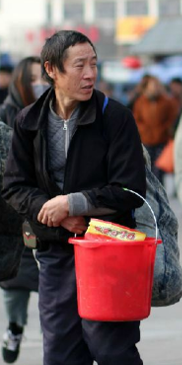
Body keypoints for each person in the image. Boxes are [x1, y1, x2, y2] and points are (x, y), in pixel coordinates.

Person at [1, 30, 146, 365]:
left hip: (109, 249)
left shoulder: (115, 118)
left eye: (93, 64)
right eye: (79, 65)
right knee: (60, 353)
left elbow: (131, 190)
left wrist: (74, 203)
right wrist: (54, 212)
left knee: (110, 347)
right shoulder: (29, 121)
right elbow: (14, 187)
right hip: (55, 250)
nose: (90, 73)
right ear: (51, 69)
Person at [0, 56, 49, 364]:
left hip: (49, 210)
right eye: (34, 78)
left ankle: (55, 336)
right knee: (16, 280)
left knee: (52, 280)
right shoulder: (6, 115)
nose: (40, 84)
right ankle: (15, 327)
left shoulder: (53, 115)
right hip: (14, 212)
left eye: (43, 78)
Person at [132, 75, 178, 183]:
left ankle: (159, 193)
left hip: (162, 140)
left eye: (157, 86)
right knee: (147, 167)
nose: (155, 88)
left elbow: (172, 118)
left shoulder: (166, 102)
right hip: (146, 140)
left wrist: (165, 129)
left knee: (159, 169)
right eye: (153, 86)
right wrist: (144, 131)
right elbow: (136, 119)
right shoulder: (140, 102)